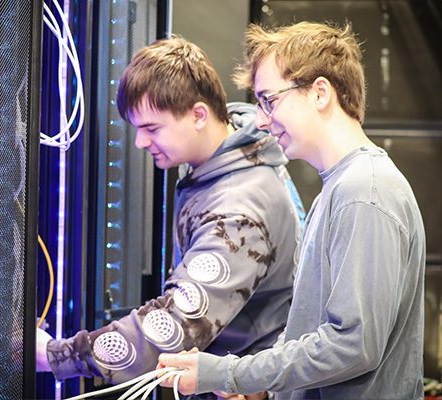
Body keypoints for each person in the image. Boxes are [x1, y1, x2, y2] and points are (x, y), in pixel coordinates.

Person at [157, 22, 427, 400]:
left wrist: (230, 373)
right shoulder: (339, 187)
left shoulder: (364, 191)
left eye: (269, 100)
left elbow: (352, 345)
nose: (262, 120)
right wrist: (263, 390)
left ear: (320, 93)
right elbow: (310, 331)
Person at [36, 36, 304, 398]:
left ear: (198, 115)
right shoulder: (234, 162)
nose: (140, 143)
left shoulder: (239, 206)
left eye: (151, 128)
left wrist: (57, 355)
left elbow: (175, 325)